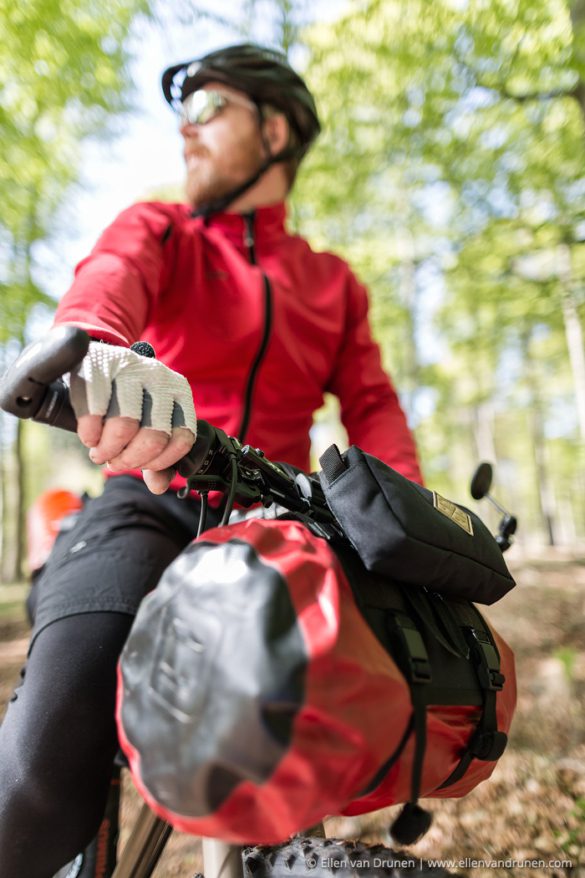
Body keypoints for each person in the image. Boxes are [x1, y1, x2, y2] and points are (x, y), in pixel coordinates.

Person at [0, 43, 422, 877]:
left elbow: (371, 401)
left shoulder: (332, 283)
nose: (184, 135)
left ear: (275, 131)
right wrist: (101, 355)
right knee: (41, 769)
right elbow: (109, 280)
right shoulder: (160, 229)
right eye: (179, 118)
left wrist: (408, 507)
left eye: (206, 111)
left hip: (281, 519)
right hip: (146, 499)